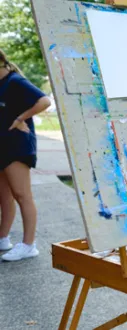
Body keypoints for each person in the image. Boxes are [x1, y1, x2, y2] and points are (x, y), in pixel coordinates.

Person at [0, 49, 51, 261]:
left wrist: (21, 118)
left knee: (22, 195)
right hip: (3, 145)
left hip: (17, 147)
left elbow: (44, 101)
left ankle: (29, 245)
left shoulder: (15, 82)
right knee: (4, 197)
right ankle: (3, 238)